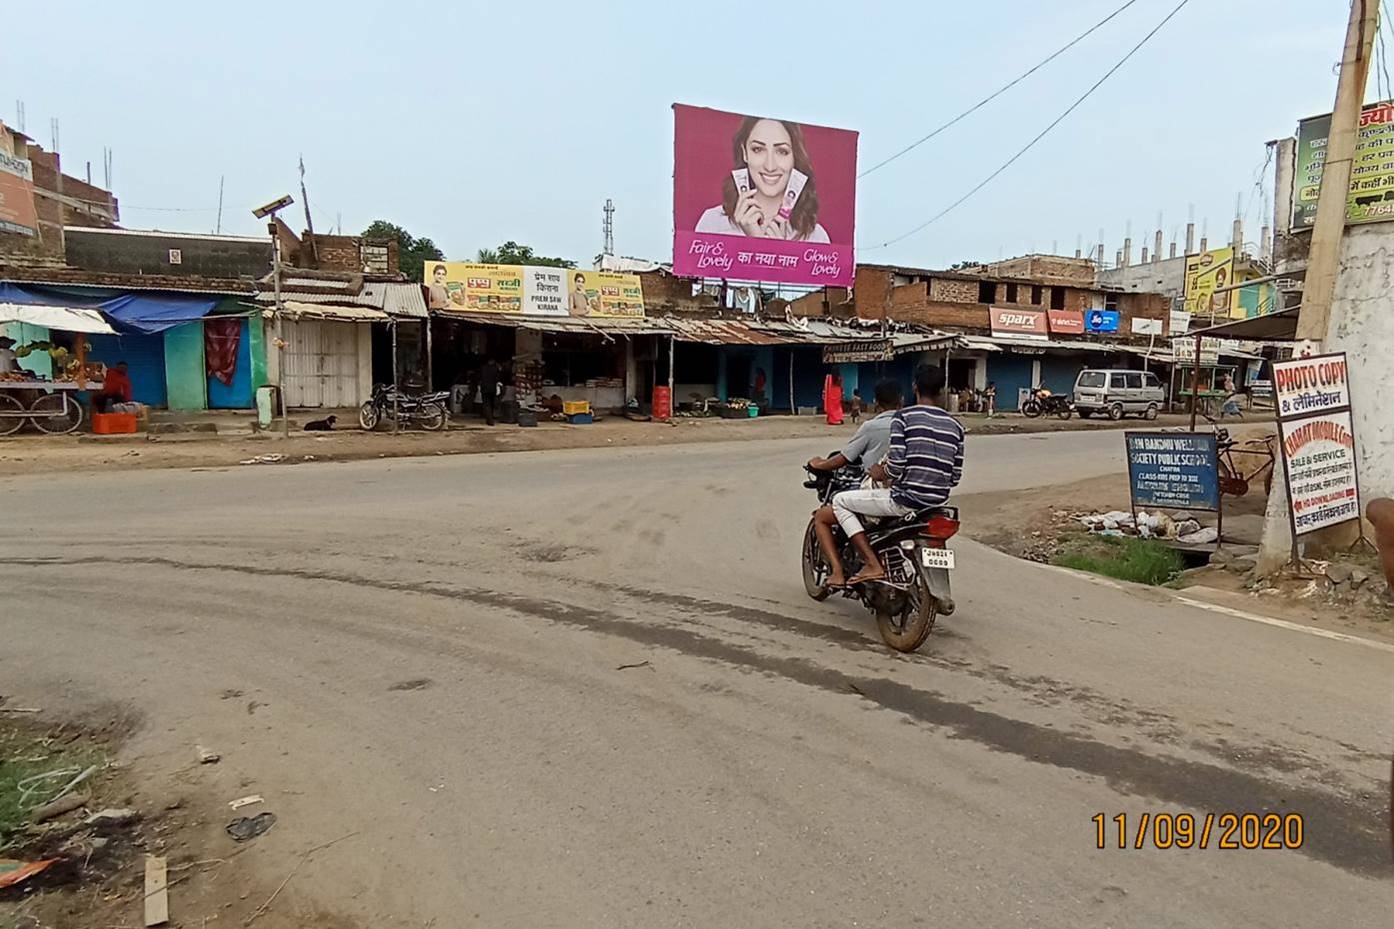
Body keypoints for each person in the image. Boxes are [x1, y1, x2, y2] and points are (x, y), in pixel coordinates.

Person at [814, 364, 964, 587]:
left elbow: (895, 466)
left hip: (906, 500)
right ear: (941, 390)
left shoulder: (904, 418)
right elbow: (955, 477)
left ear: (915, 388)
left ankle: (872, 563)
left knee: (839, 501)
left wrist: (879, 472)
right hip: (937, 504)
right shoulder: (956, 426)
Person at [694, 117, 831, 243]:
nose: (769, 166)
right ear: (745, 153)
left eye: (782, 151)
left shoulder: (816, 237)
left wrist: (778, 253)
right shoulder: (712, 223)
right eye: (758, 149)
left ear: (794, 157)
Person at [807, 379, 903, 478]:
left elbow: (844, 458)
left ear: (876, 402)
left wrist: (818, 464)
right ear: (901, 400)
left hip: (874, 485)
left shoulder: (870, 427)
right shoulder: (909, 425)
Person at [479, 357, 500, 426]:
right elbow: (497, 378)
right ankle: (490, 419)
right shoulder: (495, 369)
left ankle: (489, 419)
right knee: (491, 404)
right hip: (492, 389)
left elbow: (480, 377)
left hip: (484, 388)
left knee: (486, 404)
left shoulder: (483, 368)